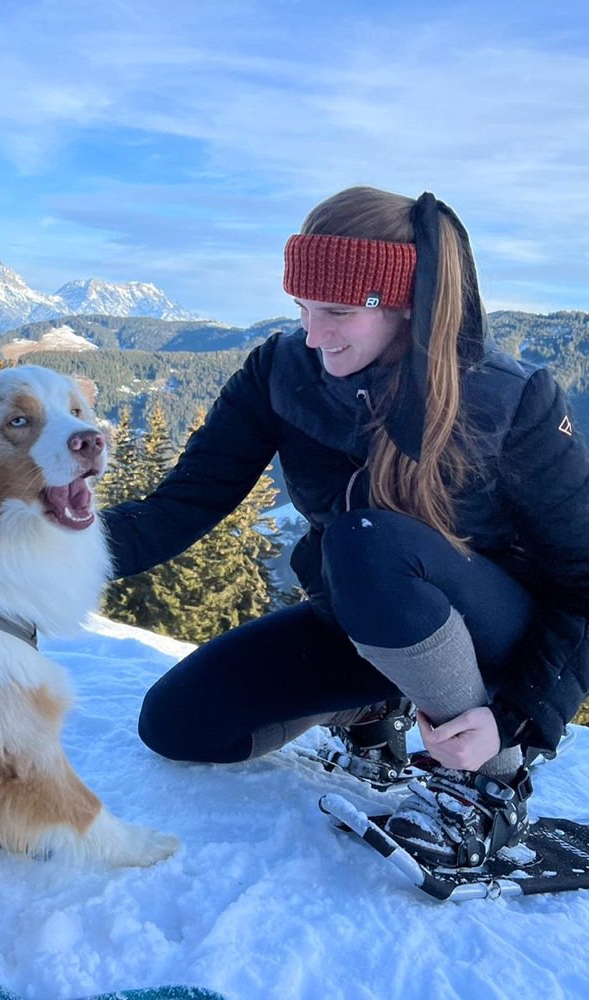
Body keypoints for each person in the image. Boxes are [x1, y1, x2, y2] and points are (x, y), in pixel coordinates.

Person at [99, 186, 589, 869]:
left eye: (336, 311)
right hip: (365, 615)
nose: (313, 333)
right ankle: (369, 709)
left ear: (405, 303)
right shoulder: (280, 371)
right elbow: (184, 503)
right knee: (178, 723)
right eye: (302, 307)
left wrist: (517, 719)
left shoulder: (511, 402)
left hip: (496, 642)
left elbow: (583, 576)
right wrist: (26, 555)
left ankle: (487, 786)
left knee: (366, 536)